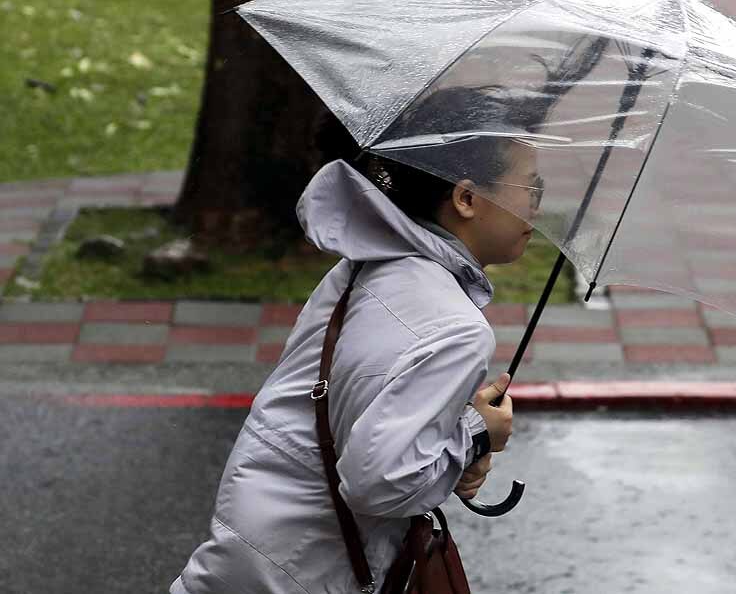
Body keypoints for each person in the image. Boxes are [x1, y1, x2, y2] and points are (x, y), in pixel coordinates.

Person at [170, 86, 545, 593]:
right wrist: (476, 434)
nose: (537, 208)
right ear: (467, 198)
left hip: (251, 546)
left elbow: (353, 408)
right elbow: (377, 482)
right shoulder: (458, 329)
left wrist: (450, 443)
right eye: (531, 187)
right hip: (307, 570)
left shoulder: (362, 266)